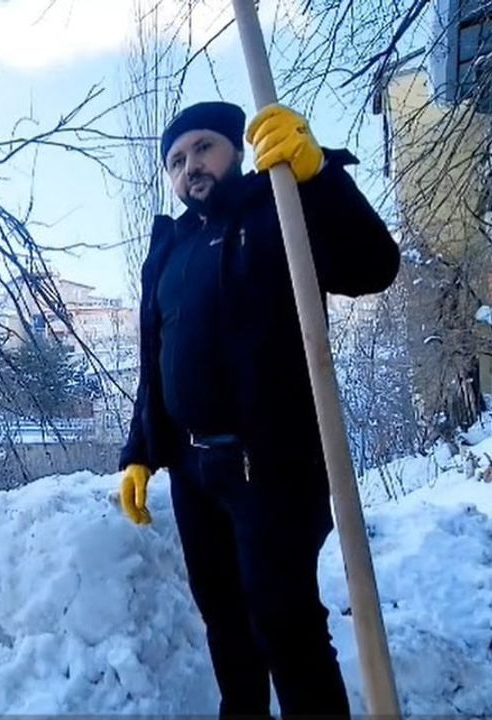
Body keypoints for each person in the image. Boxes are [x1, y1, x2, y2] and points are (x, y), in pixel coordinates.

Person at [117, 101, 400, 718]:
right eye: (176, 159)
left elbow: (374, 267)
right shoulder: (169, 249)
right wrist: (140, 452)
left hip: (274, 465)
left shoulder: (280, 205)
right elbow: (154, 357)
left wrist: (319, 174)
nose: (191, 165)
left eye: (202, 148)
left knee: (284, 622)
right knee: (225, 622)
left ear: (234, 151)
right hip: (195, 471)